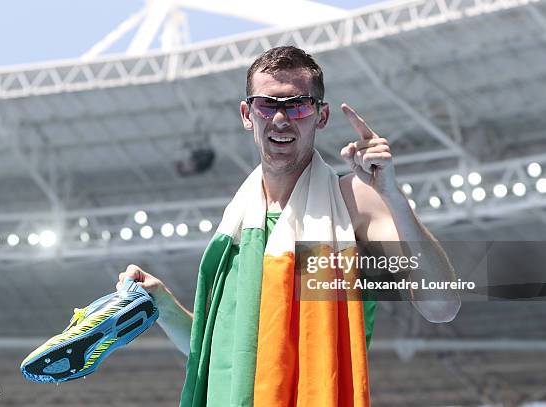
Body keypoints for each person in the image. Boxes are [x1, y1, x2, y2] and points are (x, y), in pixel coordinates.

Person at [118, 46, 460, 405]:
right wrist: (164, 306)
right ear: (247, 114)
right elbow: (222, 360)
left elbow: (441, 305)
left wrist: (392, 195)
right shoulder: (237, 225)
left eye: (297, 105)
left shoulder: (353, 201)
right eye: (267, 105)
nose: (281, 118)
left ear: (321, 116)